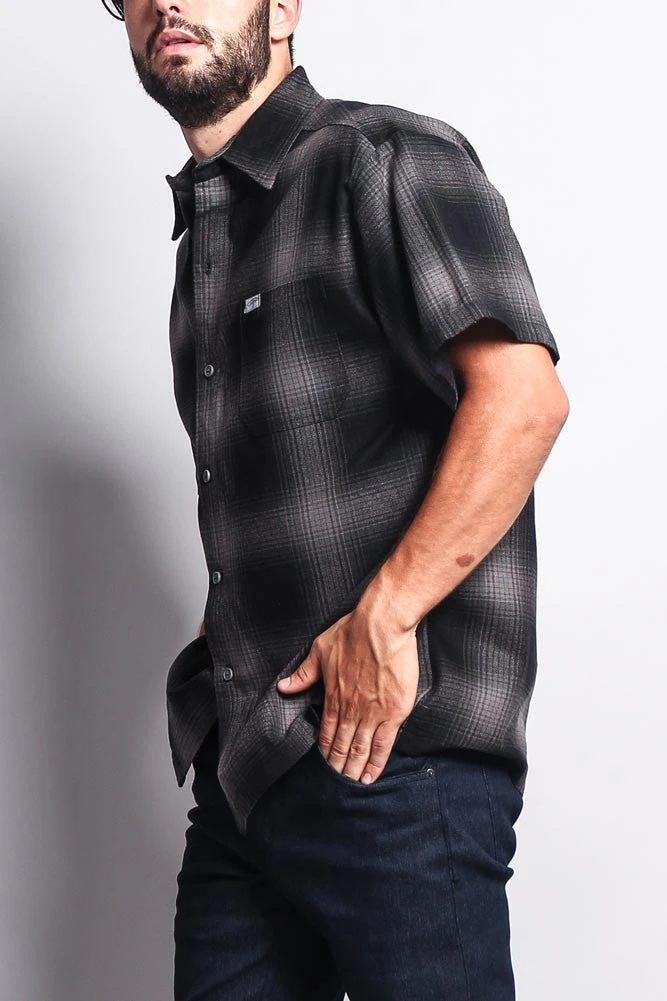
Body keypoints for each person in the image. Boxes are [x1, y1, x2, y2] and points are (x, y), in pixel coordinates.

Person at [105, 2, 569, 998]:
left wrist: (385, 617)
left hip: (398, 764)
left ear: (283, 8)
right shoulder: (206, 237)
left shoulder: (382, 158)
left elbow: (522, 400)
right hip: (246, 771)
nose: (165, 2)